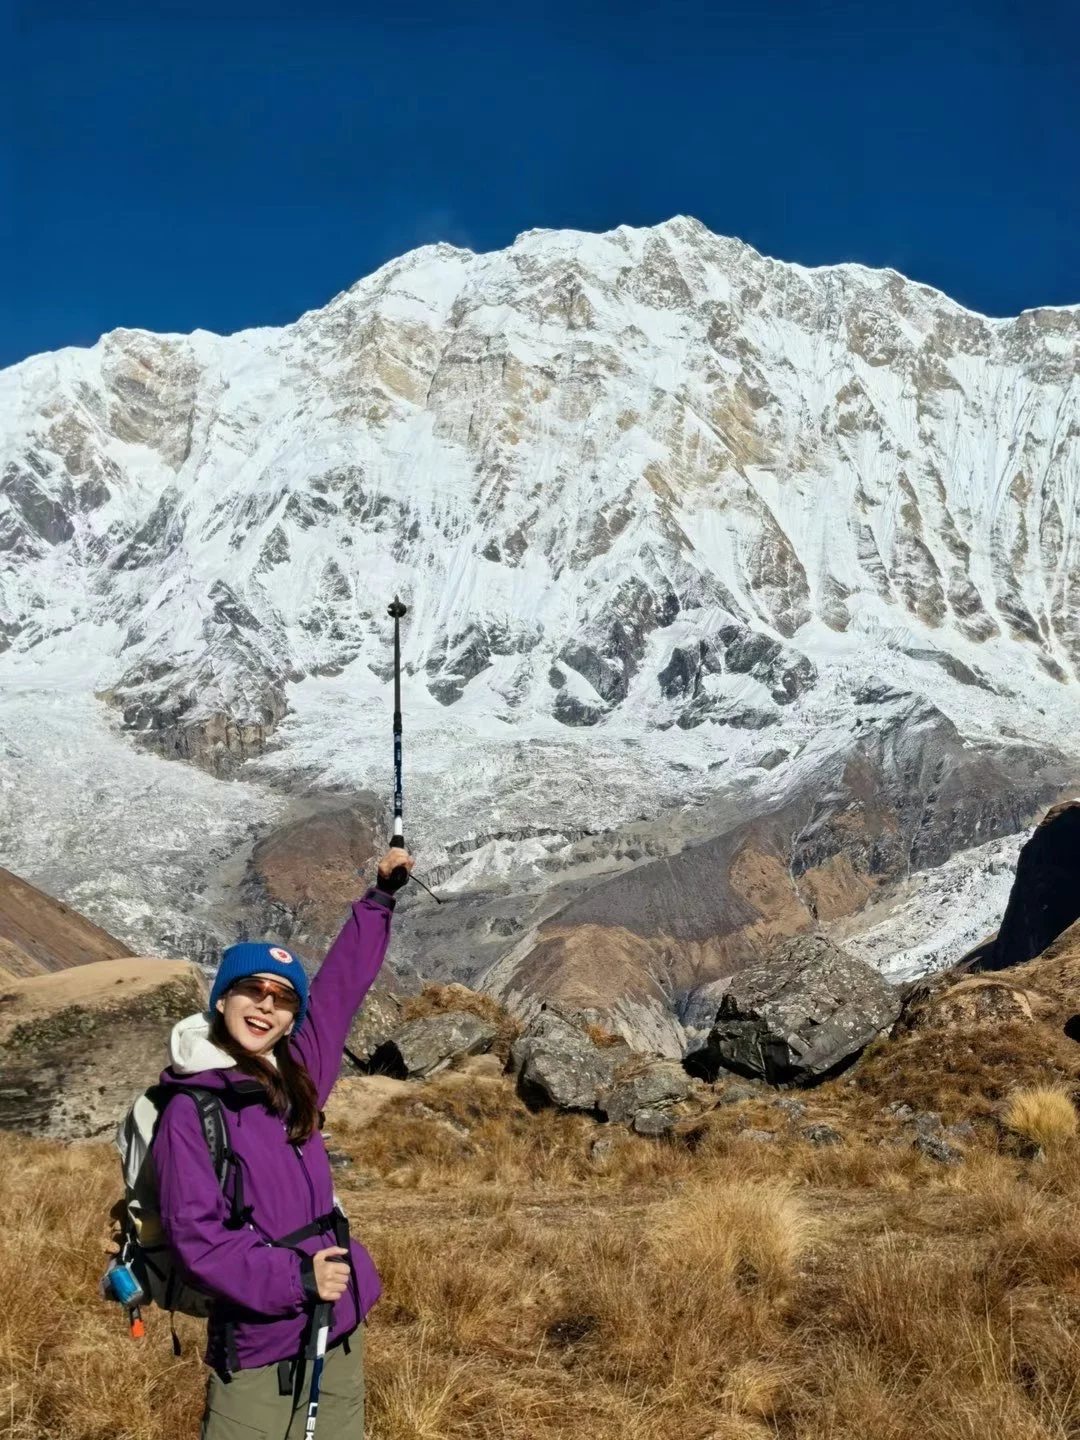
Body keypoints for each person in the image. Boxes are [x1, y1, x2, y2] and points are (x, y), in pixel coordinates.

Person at [151, 847, 414, 1440]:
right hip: (259, 1340)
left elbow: (342, 988)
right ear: (222, 1000)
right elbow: (198, 1241)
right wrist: (297, 1280)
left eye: (283, 996)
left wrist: (380, 897)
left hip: (338, 1323)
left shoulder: (298, 1081)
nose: (266, 1004)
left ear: (293, 1018)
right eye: (252, 990)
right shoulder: (192, 1110)